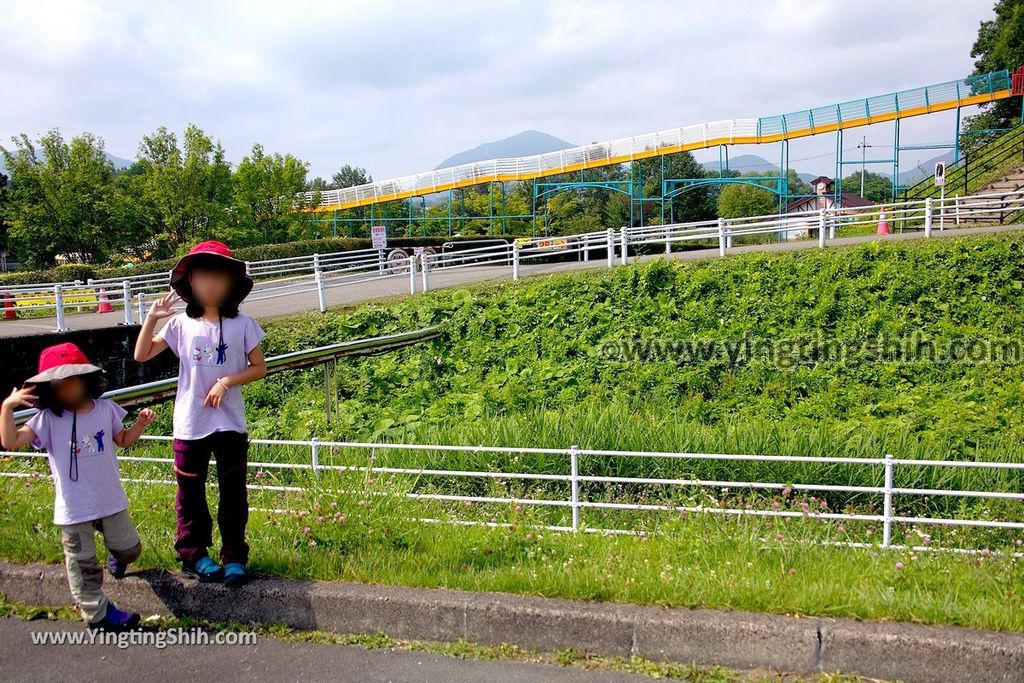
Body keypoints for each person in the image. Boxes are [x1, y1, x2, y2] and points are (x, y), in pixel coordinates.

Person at [134, 241, 267, 588]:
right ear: (190, 281)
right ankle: (193, 554)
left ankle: (235, 556)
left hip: (230, 423)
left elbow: (259, 368)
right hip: (190, 422)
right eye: (203, 276)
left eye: (218, 276)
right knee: (190, 493)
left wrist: (226, 381)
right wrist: (151, 318)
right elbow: (142, 354)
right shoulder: (180, 324)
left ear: (231, 283)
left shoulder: (244, 324)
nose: (210, 283)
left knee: (233, 492)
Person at [0, 342, 156, 631]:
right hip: (74, 507)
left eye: (73, 381)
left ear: (87, 380)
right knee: (82, 566)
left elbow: (122, 440)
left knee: (130, 549)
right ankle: (97, 615)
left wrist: (140, 425)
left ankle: (117, 557)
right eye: (59, 384)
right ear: (48, 388)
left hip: (108, 498)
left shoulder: (105, 409)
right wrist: (7, 408)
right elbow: (11, 441)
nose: (67, 389)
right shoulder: (46, 419)